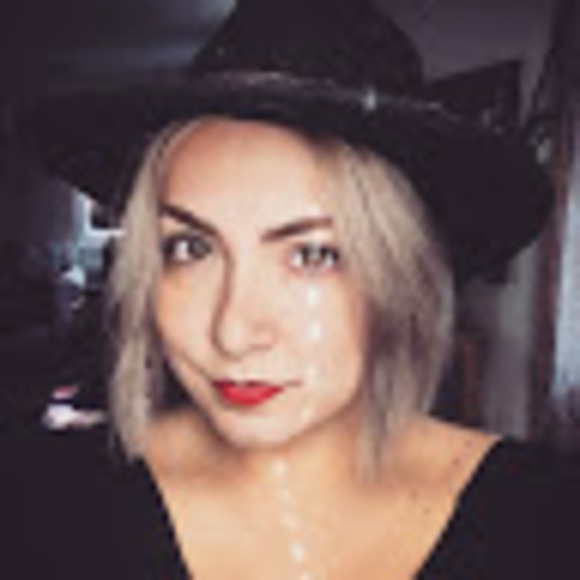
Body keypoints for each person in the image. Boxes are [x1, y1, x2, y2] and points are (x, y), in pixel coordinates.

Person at [3, 0, 579, 578]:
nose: (233, 333)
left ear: (404, 279)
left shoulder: (546, 520)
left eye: (312, 254)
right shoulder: (38, 503)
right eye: (191, 248)